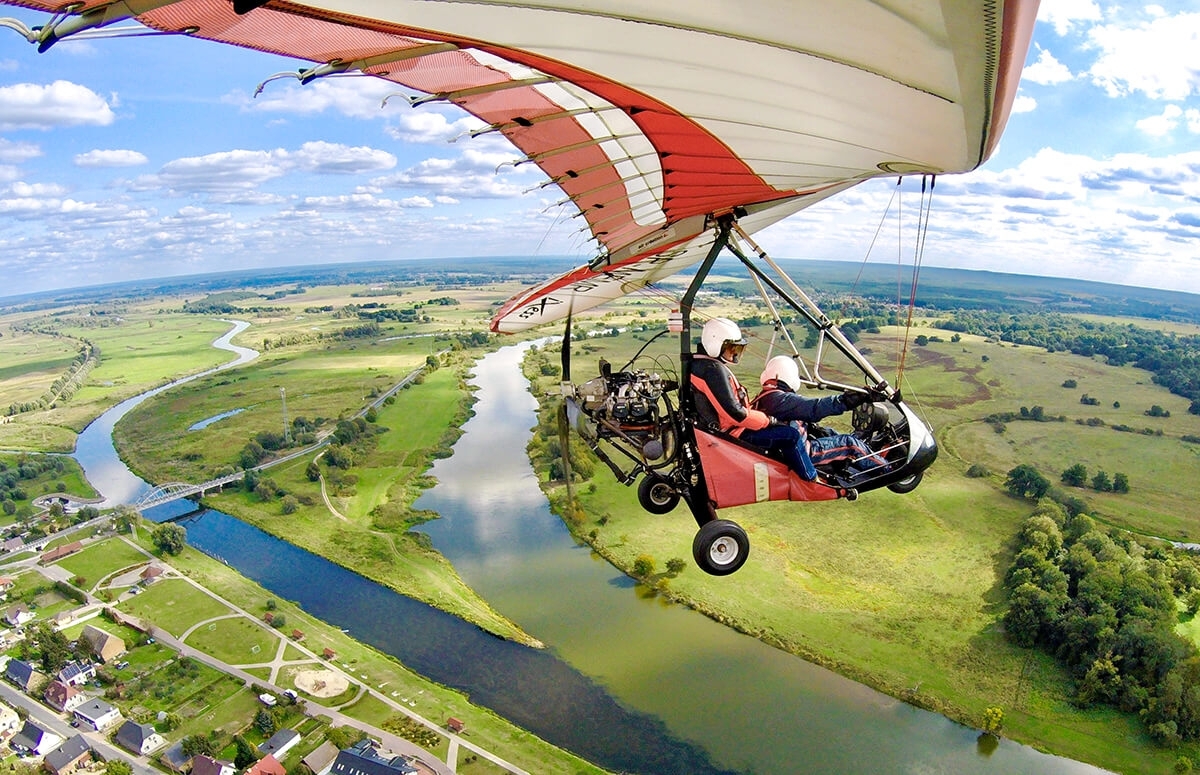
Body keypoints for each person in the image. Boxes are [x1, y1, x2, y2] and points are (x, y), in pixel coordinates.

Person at [689, 318, 819, 479]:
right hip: (734, 433)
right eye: (731, 348)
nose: (734, 354)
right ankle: (811, 478)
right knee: (791, 435)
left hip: (729, 428)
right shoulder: (713, 370)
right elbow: (736, 413)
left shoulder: (700, 364)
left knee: (783, 428)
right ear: (715, 344)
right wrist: (768, 420)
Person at [753, 355, 887, 474]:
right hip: (805, 452)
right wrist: (849, 400)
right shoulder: (779, 399)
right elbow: (815, 408)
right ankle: (888, 469)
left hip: (796, 447)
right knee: (850, 443)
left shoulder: (766, 397)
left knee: (830, 433)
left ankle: (869, 456)